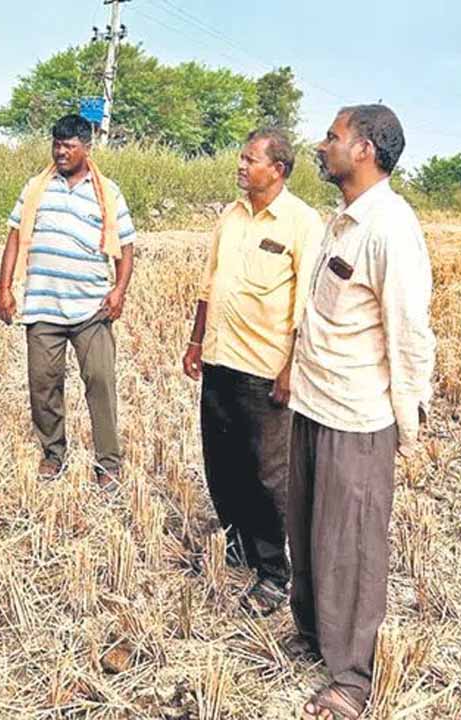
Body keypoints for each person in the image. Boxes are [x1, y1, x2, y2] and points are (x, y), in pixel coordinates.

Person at [286, 105, 435, 719]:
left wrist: (406, 423)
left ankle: (351, 679)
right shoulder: (342, 221)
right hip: (312, 401)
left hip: (357, 416)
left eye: (333, 137)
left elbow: (409, 332)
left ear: (365, 150)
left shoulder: (391, 228)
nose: (322, 145)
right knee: (309, 533)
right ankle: (315, 636)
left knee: (350, 547)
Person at [181, 128, 323, 618]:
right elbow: (209, 284)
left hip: (265, 369)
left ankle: (273, 574)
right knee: (223, 464)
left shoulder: (303, 222)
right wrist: (197, 341)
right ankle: (237, 547)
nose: (241, 166)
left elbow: (307, 306)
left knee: (268, 476)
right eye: (240, 158)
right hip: (220, 360)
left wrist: (290, 370)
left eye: (250, 159)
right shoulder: (231, 214)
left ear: (277, 169)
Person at [0, 114, 136, 489]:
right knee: (43, 385)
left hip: (92, 307)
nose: (60, 152)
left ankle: (108, 463)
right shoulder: (35, 188)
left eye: (68, 146)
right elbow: (13, 238)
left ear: (87, 149)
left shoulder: (108, 192)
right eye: (56, 144)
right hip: (43, 305)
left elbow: (126, 247)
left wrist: (119, 290)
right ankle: (53, 454)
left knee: (101, 383)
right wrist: (4, 288)